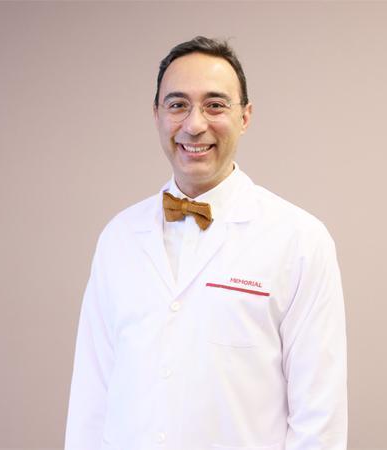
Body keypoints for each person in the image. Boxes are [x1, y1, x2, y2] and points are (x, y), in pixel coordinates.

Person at [64, 36, 347, 450]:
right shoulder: (118, 238)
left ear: (245, 117)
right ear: (157, 115)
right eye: (178, 105)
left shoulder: (300, 240)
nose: (194, 124)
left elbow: (319, 417)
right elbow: (92, 397)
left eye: (215, 105)